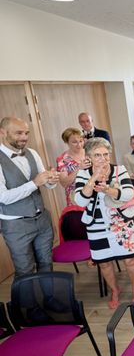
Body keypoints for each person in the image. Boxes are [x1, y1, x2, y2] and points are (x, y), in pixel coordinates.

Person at [74, 138, 134, 308]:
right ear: (88, 157)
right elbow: (80, 201)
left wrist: (108, 190)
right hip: (96, 226)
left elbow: (128, 194)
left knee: (130, 260)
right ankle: (115, 290)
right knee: (104, 262)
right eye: (97, 155)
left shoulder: (119, 170)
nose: (103, 158)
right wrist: (93, 177)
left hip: (121, 223)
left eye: (105, 154)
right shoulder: (83, 174)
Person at [0, 117, 59, 281]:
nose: (24, 137)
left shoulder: (32, 153)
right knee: (24, 270)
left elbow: (44, 182)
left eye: (26, 133)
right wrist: (34, 183)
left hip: (42, 220)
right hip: (16, 225)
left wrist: (51, 180)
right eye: (18, 133)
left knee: (47, 264)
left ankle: (49, 301)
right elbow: (3, 197)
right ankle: (29, 307)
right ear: (2, 133)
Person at [56, 127, 91, 206]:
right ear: (67, 142)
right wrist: (78, 169)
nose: (79, 145)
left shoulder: (90, 152)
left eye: (81, 141)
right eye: (74, 142)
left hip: (94, 194)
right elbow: (64, 183)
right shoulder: (62, 159)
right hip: (75, 198)